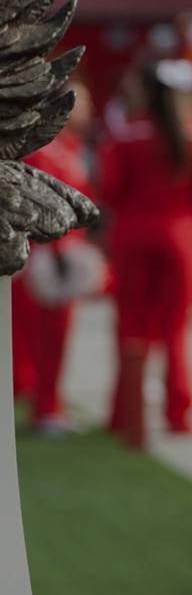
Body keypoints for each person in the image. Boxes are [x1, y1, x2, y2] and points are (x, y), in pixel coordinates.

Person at [102, 57, 192, 434]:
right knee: (174, 330)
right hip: (179, 240)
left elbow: (108, 190)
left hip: (133, 238)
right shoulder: (184, 139)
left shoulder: (125, 136)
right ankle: (177, 412)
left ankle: (125, 415)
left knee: (130, 328)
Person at [12, 81, 105, 433]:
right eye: (83, 103)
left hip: (66, 253)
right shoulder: (45, 151)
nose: (90, 109)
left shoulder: (72, 148)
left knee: (57, 338)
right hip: (45, 258)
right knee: (44, 339)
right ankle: (45, 409)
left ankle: (49, 405)